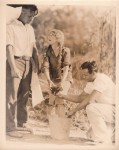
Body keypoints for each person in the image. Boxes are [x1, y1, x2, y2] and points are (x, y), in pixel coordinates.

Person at [57, 61, 115, 144]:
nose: (83, 77)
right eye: (82, 75)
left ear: (93, 73)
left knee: (91, 107)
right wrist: (62, 95)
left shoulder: (101, 79)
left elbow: (90, 100)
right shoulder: (91, 82)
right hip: (109, 113)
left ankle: (103, 140)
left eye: (85, 75)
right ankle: (112, 132)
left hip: (115, 110)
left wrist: (74, 111)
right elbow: (80, 98)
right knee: (90, 135)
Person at [6, 5, 39, 138]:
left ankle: (22, 123)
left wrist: (37, 63)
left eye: (33, 17)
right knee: (11, 96)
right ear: (23, 11)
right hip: (15, 61)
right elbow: (8, 48)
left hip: (28, 63)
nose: (31, 19)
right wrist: (13, 68)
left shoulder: (30, 28)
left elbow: (33, 47)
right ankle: (9, 127)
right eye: (30, 16)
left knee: (24, 95)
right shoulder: (10, 26)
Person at [43, 29, 73, 117]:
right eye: (49, 34)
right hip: (53, 79)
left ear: (58, 38)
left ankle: (61, 124)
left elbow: (66, 67)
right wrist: (49, 81)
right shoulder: (47, 51)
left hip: (65, 78)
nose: (49, 36)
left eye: (52, 34)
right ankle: (52, 124)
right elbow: (45, 67)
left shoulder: (66, 51)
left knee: (59, 98)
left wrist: (62, 83)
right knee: (51, 101)